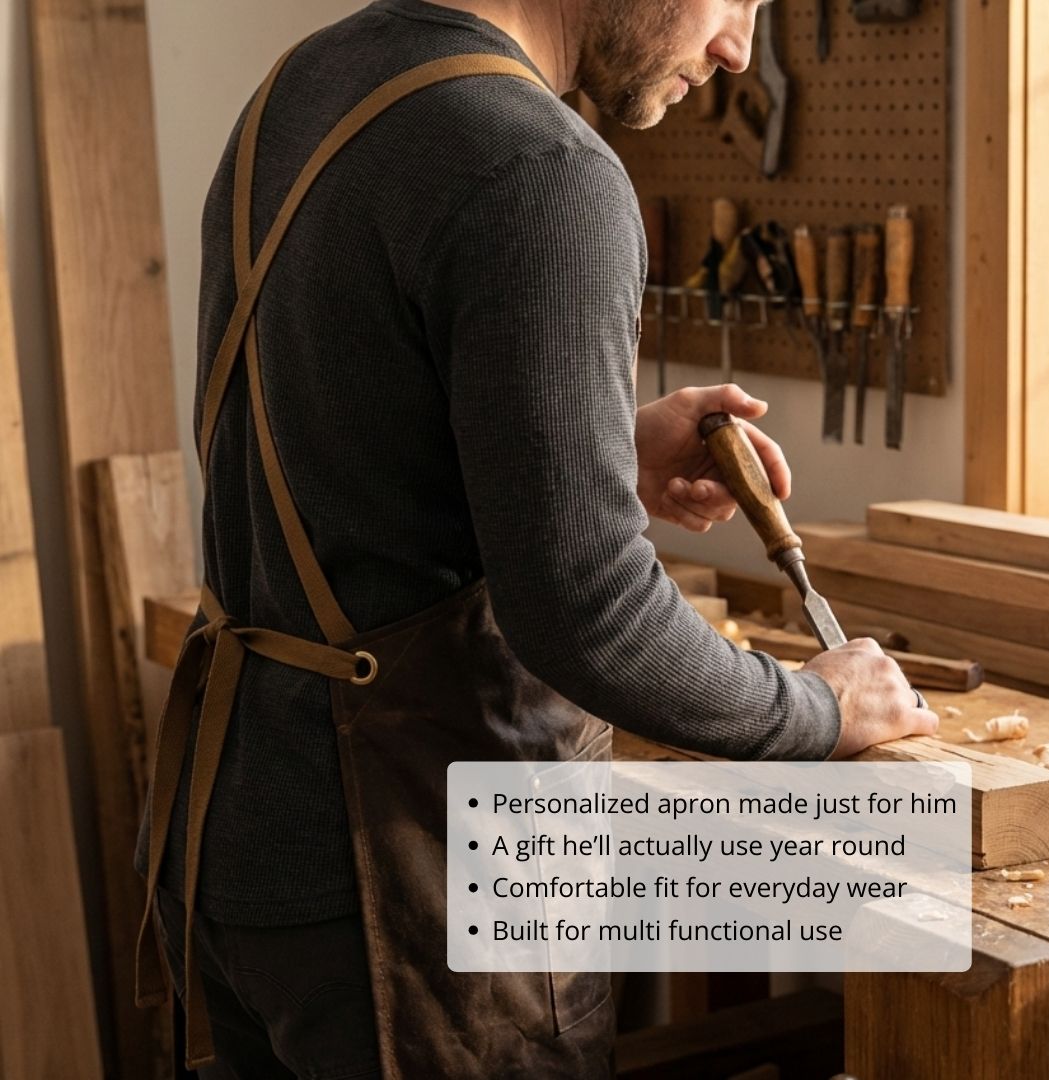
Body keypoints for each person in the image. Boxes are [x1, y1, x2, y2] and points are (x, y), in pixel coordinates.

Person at [134, 1, 939, 1076]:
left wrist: (596, 449)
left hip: (235, 840)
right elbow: (590, 615)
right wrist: (817, 707)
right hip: (410, 890)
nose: (741, 49)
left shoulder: (308, 88)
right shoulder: (543, 166)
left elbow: (350, 443)